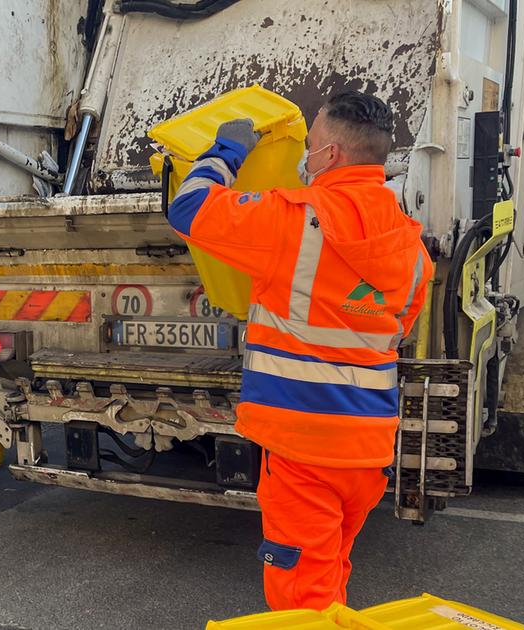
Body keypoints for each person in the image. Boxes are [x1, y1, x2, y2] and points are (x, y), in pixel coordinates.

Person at [166, 91, 434, 610]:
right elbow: (391, 331)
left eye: (309, 144)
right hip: (368, 452)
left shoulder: (293, 220)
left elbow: (189, 209)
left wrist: (226, 153)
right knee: (328, 577)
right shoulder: (411, 246)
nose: (302, 155)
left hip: (303, 447)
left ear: (331, 155)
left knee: (300, 602)